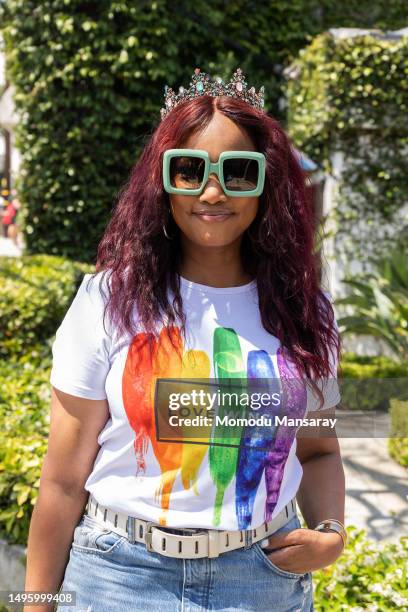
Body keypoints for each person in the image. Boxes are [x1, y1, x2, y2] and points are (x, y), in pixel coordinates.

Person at [24, 68, 346, 612]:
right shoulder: (110, 300)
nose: (212, 191)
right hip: (117, 580)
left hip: (262, 580)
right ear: (163, 180)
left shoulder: (304, 311)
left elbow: (318, 450)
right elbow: (60, 482)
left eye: (239, 172)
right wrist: (31, 603)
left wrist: (332, 535)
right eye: (190, 170)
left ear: (267, 183)